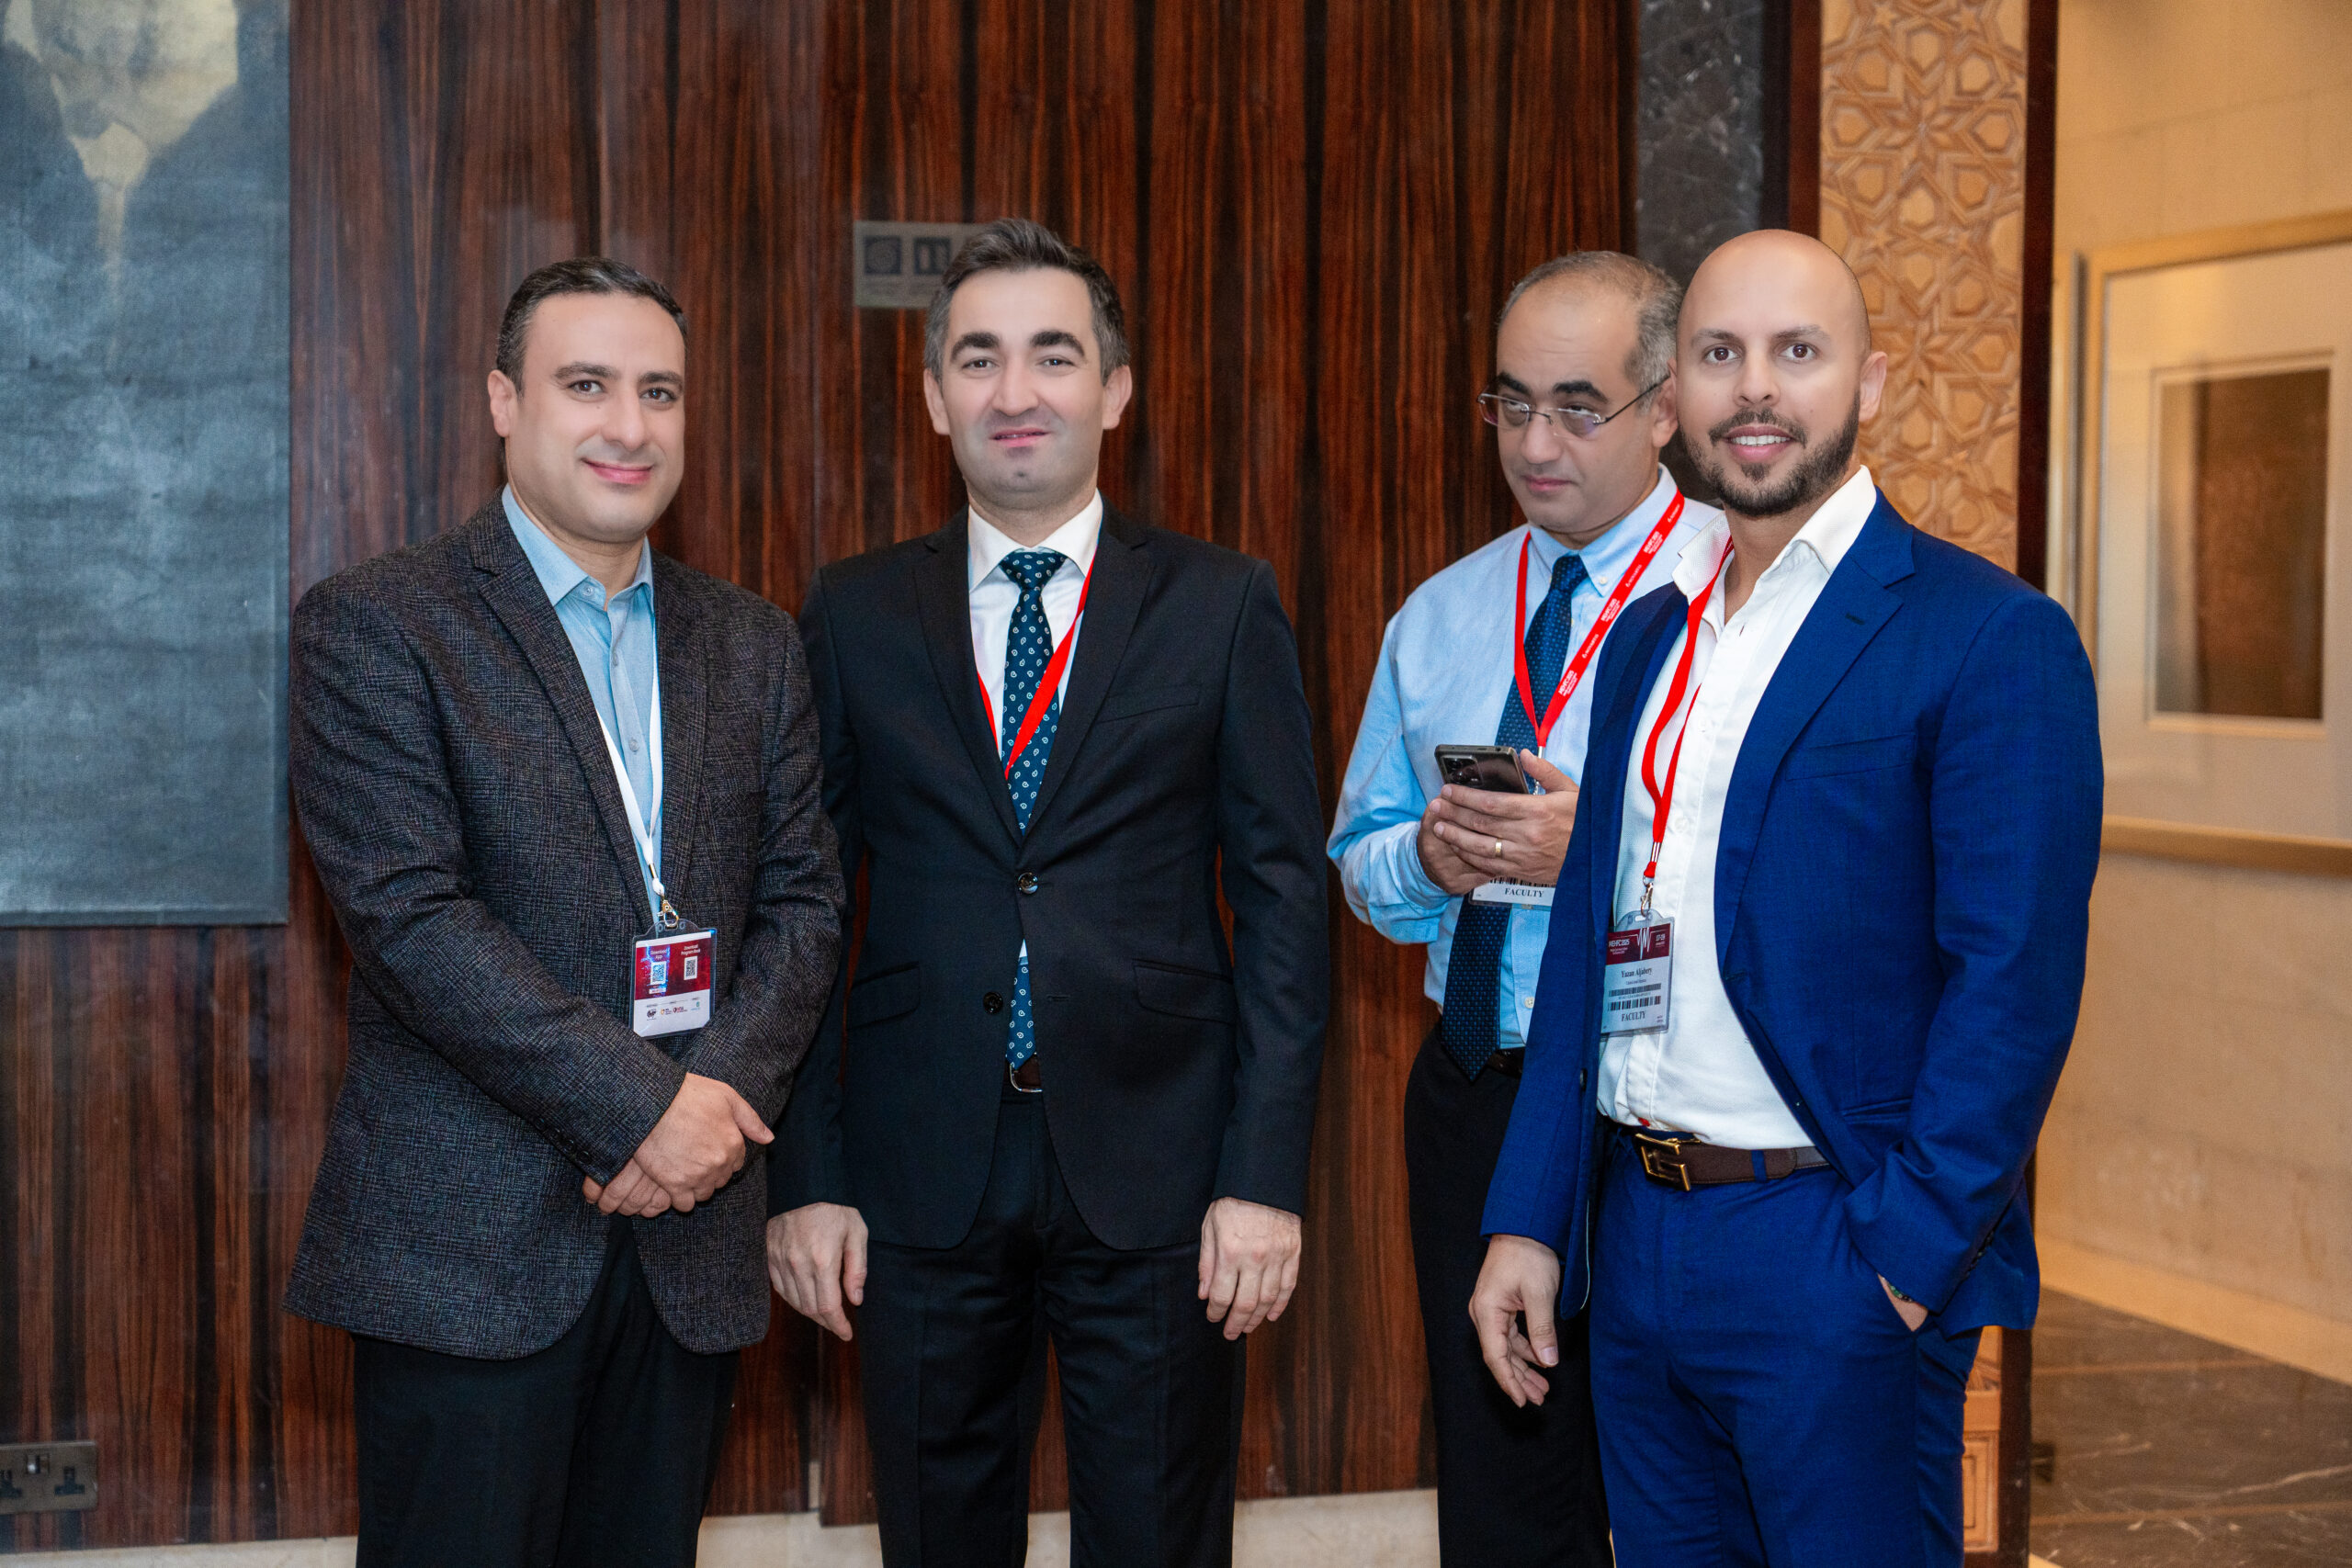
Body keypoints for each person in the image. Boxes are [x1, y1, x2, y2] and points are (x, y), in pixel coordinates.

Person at [1470, 230, 2102, 1568]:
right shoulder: (1650, 637)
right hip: (1638, 1234)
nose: (1755, 387)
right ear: (1675, 398)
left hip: (1834, 1246)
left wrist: (1904, 1260)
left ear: (1868, 383)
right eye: (1720, 353)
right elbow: (1588, 946)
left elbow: (2013, 984)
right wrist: (1531, 1216)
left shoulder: (1988, 636)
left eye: (1796, 351)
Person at [766, 218, 1329, 1568]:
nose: (1014, 392)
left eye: (1054, 356)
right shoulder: (852, 612)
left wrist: (1262, 1178)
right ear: (934, 396)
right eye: (979, 359)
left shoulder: (1221, 604)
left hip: (1163, 1168)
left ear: (1115, 390)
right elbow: (801, 911)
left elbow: (1285, 906)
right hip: (915, 1174)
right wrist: (807, 1177)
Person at [284, 257, 844, 1568]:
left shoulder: (752, 642)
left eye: (660, 391)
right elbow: (412, 920)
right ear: (503, 401)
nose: (629, 426)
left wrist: (708, 1113)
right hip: (468, 1255)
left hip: (688, 1247)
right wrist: (650, 1111)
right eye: (585, 385)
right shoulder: (380, 623)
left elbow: (806, 902)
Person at [1328, 252, 1709, 1566]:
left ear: (1665, 408)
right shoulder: (1441, 615)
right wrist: (1431, 861)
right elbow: (1359, 863)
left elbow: (1777, 870)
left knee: (1675, 1487)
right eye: (1510, 405)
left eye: (1577, 408)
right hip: (1478, 1091)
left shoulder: (1738, 595)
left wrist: (1595, 851)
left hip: (1656, 1107)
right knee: (1503, 1493)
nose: (1536, 445)